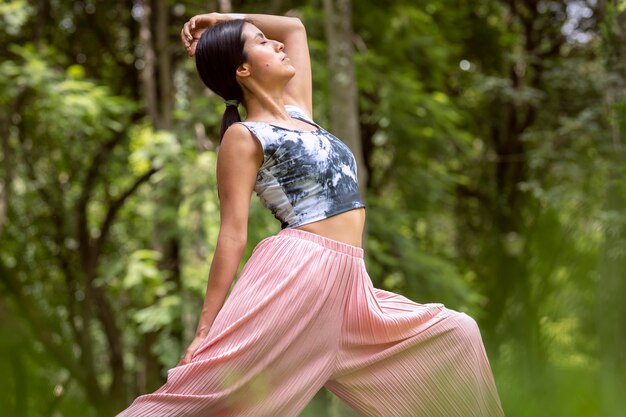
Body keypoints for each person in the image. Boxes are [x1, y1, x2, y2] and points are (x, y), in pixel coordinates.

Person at [116, 12, 504, 417]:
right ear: (243, 69)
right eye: (262, 42)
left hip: (352, 286)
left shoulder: (299, 111)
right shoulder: (244, 136)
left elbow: (294, 27)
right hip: (297, 272)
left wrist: (223, 19)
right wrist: (204, 329)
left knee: (456, 334)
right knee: (213, 397)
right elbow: (232, 234)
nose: (277, 44)